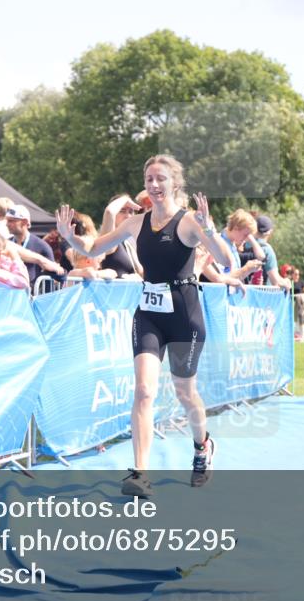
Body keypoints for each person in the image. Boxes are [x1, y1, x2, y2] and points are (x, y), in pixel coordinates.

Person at [56, 154, 234, 497]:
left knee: (186, 393)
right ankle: (139, 473)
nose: (154, 185)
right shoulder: (135, 224)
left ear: (174, 184)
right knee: (144, 391)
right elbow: (94, 247)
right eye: (149, 178)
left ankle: (202, 446)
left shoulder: (189, 222)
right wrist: (69, 237)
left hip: (185, 317)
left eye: (160, 179)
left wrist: (210, 230)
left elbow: (225, 261)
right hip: (149, 314)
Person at [5, 204, 64, 284]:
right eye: (7, 220)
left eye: (11, 221)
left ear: (24, 222)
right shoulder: (6, 244)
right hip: (9, 293)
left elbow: (54, 274)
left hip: (32, 294)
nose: (7, 224)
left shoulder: (42, 246)